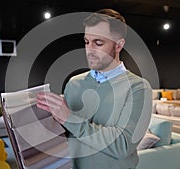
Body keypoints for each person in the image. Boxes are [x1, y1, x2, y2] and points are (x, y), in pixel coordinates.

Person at [37, 8, 152, 169]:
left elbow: (123, 146)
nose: (89, 50)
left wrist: (68, 118)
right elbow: (67, 136)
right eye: (86, 42)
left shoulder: (138, 88)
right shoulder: (73, 83)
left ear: (118, 45)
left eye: (98, 43)